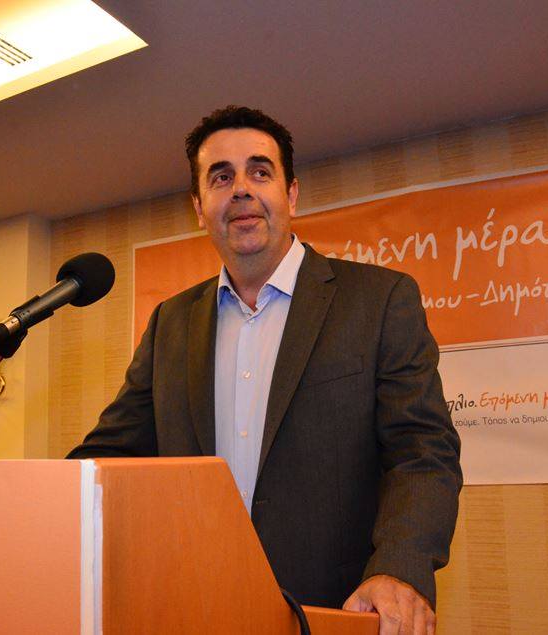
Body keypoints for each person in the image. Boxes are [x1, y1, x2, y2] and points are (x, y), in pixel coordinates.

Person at [68, 105, 461, 634]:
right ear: (199, 207)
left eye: (259, 171)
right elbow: (110, 454)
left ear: (291, 194)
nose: (240, 190)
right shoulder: (171, 323)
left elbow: (423, 452)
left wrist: (398, 567)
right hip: (195, 611)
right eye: (220, 177)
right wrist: (42, 508)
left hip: (334, 613)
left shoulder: (379, 299)